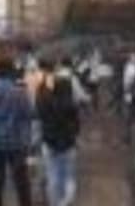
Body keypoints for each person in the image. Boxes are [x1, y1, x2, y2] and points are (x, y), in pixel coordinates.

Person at [0, 61, 36, 206]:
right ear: (11, 73)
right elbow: (29, 115)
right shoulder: (19, 91)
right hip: (17, 142)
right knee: (21, 182)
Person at [37, 68, 82, 206]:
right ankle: (66, 202)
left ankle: (54, 202)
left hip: (49, 143)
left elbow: (40, 116)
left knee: (52, 174)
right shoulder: (71, 106)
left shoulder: (46, 103)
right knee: (68, 175)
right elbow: (76, 126)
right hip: (68, 144)